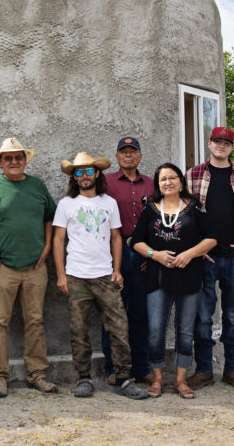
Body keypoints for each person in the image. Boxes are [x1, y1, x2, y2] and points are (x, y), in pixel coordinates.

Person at [52, 152, 148, 400]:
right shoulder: (66, 205)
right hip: (76, 276)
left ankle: (124, 379)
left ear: (97, 173)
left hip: (106, 275)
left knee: (119, 327)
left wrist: (117, 270)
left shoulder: (109, 203)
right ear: (74, 177)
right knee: (79, 330)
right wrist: (61, 274)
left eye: (88, 171)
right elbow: (58, 239)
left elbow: (117, 237)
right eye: (79, 172)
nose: (84, 176)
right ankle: (83, 378)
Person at [0, 137, 57, 398]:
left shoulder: (37, 186)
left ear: (24, 160)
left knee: (36, 321)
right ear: (1, 162)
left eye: (18, 157)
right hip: (2, 267)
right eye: (8, 158)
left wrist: (48, 246)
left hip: (35, 267)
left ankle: (37, 374)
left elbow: (49, 218)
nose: (14, 162)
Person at [185, 125, 234, 392]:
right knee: (203, 317)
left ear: (231, 147)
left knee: (232, 315)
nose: (221, 146)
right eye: (217, 141)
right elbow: (183, 215)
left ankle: (233, 370)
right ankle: (204, 371)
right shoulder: (192, 175)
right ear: (209, 144)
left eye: (226, 143)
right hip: (204, 258)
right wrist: (196, 248)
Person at [132, 163, 217, 399]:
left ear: (181, 180)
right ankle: (158, 378)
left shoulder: (194, 208)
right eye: (162, 179)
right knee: (156, 328)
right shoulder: (150, 210)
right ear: (157, 184)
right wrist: (154, 254)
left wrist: (190, 253)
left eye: (172, 177)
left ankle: (180, 380)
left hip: (189, 277)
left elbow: (211, 239)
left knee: (186, 330)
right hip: (157, 278)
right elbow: (136, 241)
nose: (167, 182)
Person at [100, 136, 153, 386]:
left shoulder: (152, 185)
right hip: (115, 252)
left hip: (144, 254)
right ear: (117, 156)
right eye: (124, 152)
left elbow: (160, 220)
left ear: (140, 156)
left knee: (141, 314)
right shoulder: (106, 182)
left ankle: (142, 367)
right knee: (112, 314)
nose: (128, 155)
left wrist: (151, 254)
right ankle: (113, 367)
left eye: (133, 151)